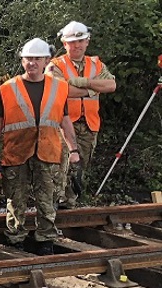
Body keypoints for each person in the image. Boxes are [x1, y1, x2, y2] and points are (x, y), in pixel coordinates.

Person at [0, 38, 80, 256]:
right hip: (16, 151)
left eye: (37, 59)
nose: (32, 63)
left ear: (46, 61)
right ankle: (15, 237)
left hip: (48, 150)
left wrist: (74, 152)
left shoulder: (59, 87)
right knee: (15, 198)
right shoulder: (7, 88)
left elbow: (65, 120)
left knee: (47, 198)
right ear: (22, 61)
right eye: (28, 58)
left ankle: (45, 238)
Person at [48, 21, 116, 208]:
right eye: (72, 42)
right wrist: (94, 89)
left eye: (80, 41)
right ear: (64, 44)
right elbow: (62, 91)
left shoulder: (96, 64)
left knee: (80, 167)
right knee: (60, 165)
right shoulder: (56, 65)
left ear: (87, 41)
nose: (76, 45)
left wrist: (82, 82)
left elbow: (111, 85)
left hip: (89, 124)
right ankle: (53, 204)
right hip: (62, 124)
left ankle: (69, 205)